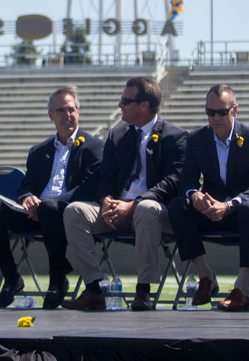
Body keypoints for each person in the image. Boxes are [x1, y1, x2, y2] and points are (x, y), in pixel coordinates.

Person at [63, 77, 187, 311]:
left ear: (144, 106)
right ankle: (94, 289)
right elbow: (106, 177)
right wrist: (106, 201)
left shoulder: (176, 136)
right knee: (74, 211)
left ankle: (144, 291)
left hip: (155, 212)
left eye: (125, 101)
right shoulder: (116, 135)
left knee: (146, 208)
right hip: (116, 209)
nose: (120, 106)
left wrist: (135, 203)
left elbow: (173, 182)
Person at [0, 86, 104, 309]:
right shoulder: (38, 151)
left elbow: (88, 189)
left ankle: (57, 280)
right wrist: (27, 198)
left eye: (71, 109)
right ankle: (11, 278)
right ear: (50, 115)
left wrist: (49, 204)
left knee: (49, 208)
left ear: (78, 111)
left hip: (69, 214)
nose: (67, 115)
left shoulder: (94, 147)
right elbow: (26, 185)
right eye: (61, 110)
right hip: (38, 211)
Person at [169, 83, 249, 312]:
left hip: (243, 211)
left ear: (235, 110)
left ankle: (242, 289)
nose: (215, 118)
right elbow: (186, 181)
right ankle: (206, 277)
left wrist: (229, 205)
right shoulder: (195, 139)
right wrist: (194, 195)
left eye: (221, 112)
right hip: (211, 209)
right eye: (210, 112)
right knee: (178, 205)